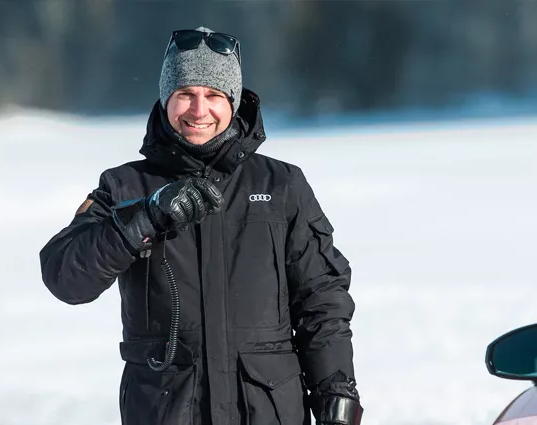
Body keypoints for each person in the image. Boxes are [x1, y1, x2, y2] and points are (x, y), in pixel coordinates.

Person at [40, 26, 363, 425]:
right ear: (165, 100)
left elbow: (322, 302)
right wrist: (144, 217)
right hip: (165, 410)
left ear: (233, 101)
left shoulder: (281, 185)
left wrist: (336, 391)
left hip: (268, 410)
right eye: (185, 95)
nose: (199, 110)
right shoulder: (124, 186)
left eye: (213, 95)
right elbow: (65, 278)